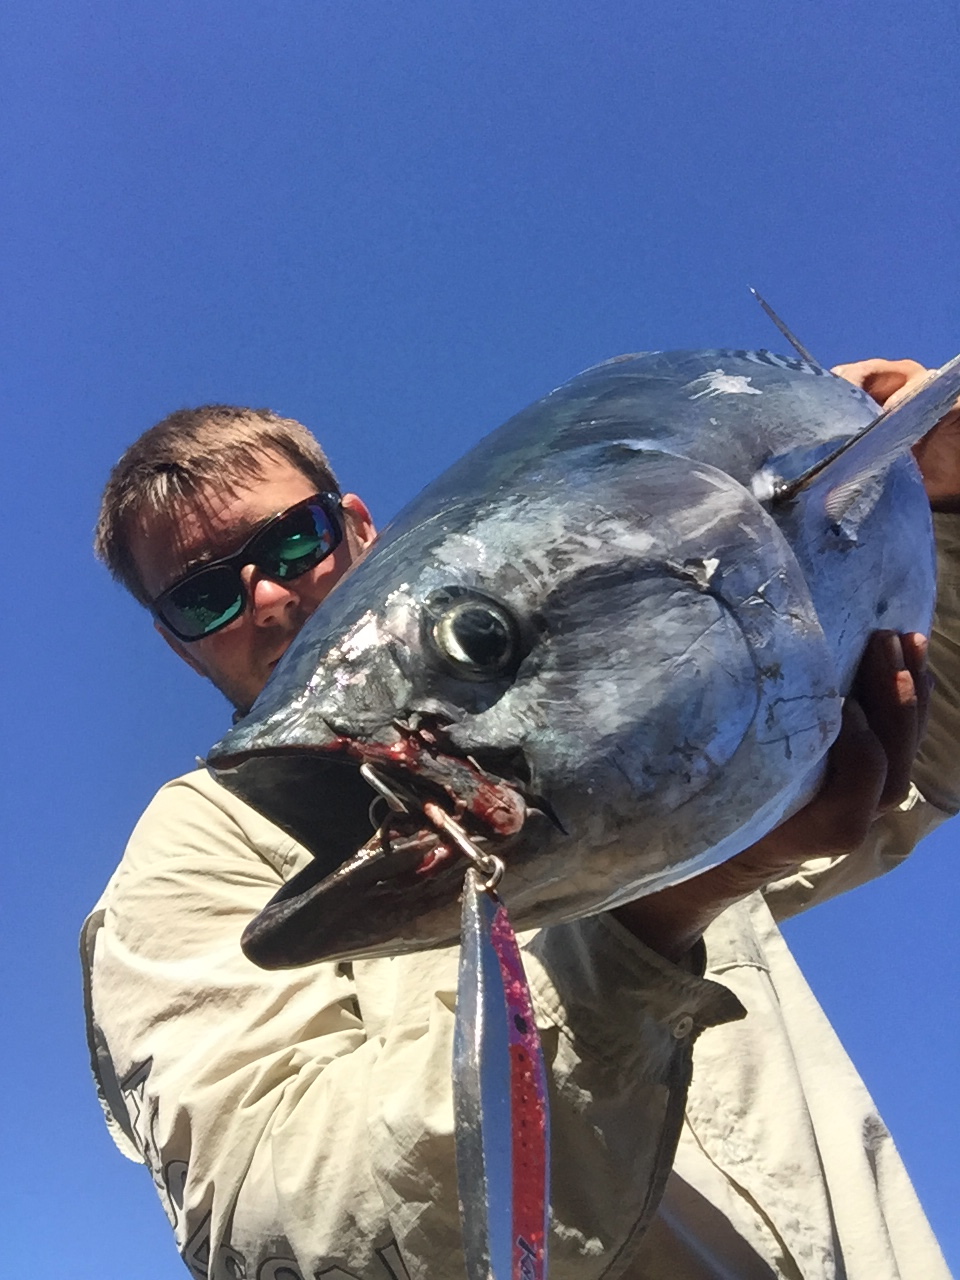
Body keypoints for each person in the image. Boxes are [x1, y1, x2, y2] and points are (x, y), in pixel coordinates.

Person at [82, 362, 958, 1279]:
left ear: (359, 526)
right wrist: (647, 924)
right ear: (176, 645)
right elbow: (285, 1231)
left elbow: (927, 759)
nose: (266, 597)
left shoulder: (656, 740)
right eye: (204, 596)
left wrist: (946, 507)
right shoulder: (191, 851)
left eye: (295, 539)